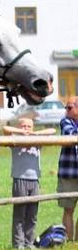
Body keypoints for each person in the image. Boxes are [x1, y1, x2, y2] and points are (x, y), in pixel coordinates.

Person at [4, 118, 55, 249]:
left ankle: (29, 243)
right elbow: (6, 129)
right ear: (19, 127)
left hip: (35, 180)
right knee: (20, 214)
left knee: (32, 215)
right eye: (24, 126)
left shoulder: (37, 139)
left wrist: (34, 134)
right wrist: (21, 132)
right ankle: (18, 245)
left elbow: (53, 130)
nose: (26, 128)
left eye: (29, 126)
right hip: (20, 178)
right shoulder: (14, 139)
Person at [57, 97, 78, 240]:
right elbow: (71, 134)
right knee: (68, 209)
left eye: (69, 108)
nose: (66, 110)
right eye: (66, 108)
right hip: (69, 173)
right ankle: (70, 243)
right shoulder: (65, 121)